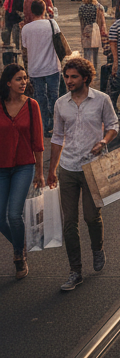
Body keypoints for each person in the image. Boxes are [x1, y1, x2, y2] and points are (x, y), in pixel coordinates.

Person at [48, 57, 119, 292]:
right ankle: (75, 271)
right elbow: (57, 137)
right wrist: (51, 171)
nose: (68, 81)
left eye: (73, 77)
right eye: (66, 77)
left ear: (85, 78)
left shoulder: (101, 100)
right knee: (69, 222)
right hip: (68, 168)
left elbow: (113, 126)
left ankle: (97, 248)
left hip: (93, 165)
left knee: (91, 217)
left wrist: (104, 140)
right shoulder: (61, 104)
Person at [0, 64, 44, 280]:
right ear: (8, 82)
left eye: (25, 78)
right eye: (19, 79)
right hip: (1, 167)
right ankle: (21, 242)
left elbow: (38, 141)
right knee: (0, 218)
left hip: (24, 167)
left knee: (13, 214)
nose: (24, 82)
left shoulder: (32, 105)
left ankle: (19, 256)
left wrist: (40, 172)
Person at [20, 0, 62, 135]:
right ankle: (55, 126)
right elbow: (59, 40)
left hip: (35, 69)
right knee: (54, 97)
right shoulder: (52, 24)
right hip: (52, 67)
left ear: (31, 12)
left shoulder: (26, 28)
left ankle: (42, 126)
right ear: (44, 10)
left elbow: (25, 48)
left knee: (39, 99)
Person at [77, 0, 105, 70]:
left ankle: (87, 69)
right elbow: (102, 22)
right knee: (95, 52)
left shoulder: (82, 8)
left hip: (86, 30)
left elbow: (81, 22)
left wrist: (82, 33)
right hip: (96, 30)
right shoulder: (99, 7)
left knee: (87, 53)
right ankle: (95, 68)